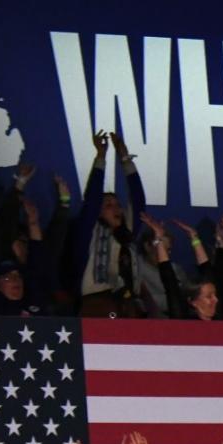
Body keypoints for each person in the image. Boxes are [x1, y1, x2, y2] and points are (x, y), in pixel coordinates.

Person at [75, 131, 151, 316]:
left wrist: (124, 157)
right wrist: (101, 157)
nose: (116, 208)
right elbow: (92, 200)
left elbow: (138, 199)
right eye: (108, 205)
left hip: (129, 305)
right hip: (98, 303)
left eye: (118, 204)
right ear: (99, 212)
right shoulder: (91, 230)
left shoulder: (128, 231)